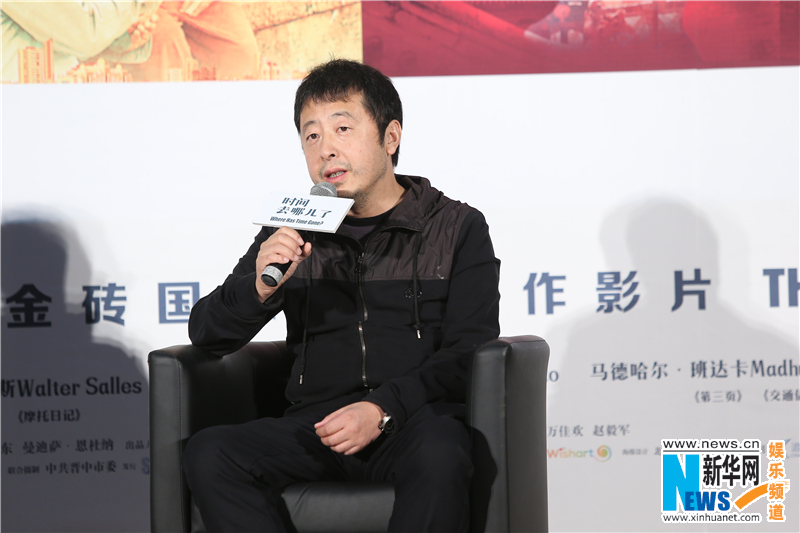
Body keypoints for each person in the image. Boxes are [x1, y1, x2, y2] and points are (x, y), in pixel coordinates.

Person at [183, 58, 500, 532]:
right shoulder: (292, 228)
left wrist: (383, 408)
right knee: (211, 453)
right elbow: (207, 333)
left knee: (442, 452)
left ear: (390, 137)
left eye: (343, 128)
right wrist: (259, 286)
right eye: (311, 136)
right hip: (316, 427)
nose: (326, 149)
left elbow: (468, 350)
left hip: (413, 422)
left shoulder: (455, 226)